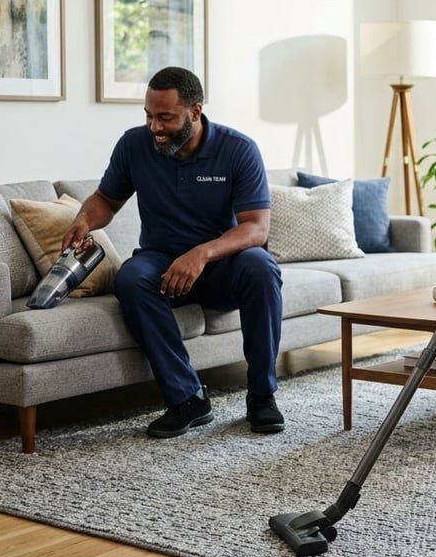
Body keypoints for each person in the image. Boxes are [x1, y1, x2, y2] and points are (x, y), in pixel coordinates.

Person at [63, 67, 285, 439]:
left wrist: (201, 254)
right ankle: (187, 399)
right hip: (162, 263)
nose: (155, 127)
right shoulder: (134, 145)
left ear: (195, 111)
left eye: (165, 117)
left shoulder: (237, 149)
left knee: (261, 266)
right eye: (149, 116)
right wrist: (85, 220)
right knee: (131, 278)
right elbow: (106, 199)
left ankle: (262, 395)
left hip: (221, 266)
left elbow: (255, 228)